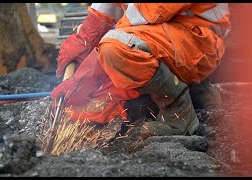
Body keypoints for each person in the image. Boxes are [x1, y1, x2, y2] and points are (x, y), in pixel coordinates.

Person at [51, 3, 231, 139]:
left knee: (116, 51)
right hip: (169, 36)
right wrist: (83, 41)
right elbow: (106, 10)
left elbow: (143, 17)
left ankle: (179, 112)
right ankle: (196, 91)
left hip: (199, 40)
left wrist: (86, 75)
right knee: (105, 89)